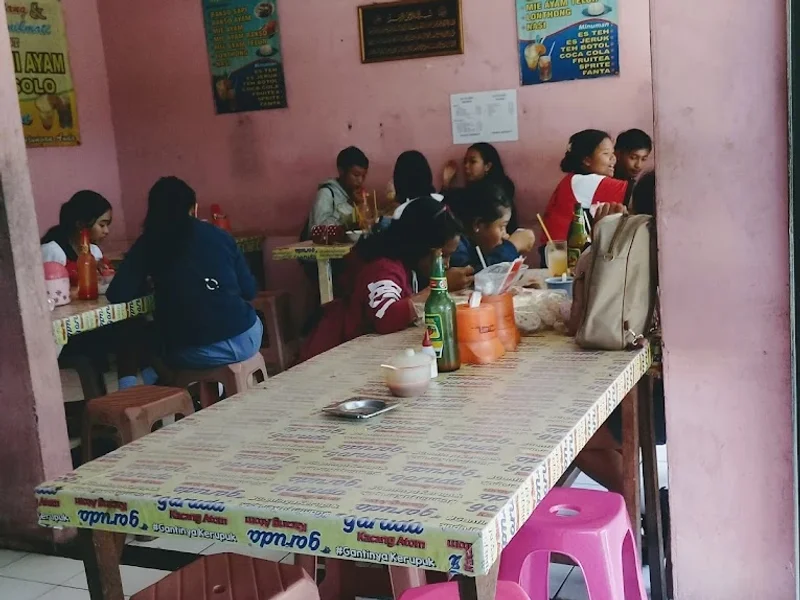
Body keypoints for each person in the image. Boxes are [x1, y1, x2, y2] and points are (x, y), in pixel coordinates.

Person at [107, 177, 262, 371]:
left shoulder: (149, 242)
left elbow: (118, 293)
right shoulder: (220, 235)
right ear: (193, 209)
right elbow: (249, 291)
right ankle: (213, 390)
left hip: (197, 349)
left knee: (143, 336)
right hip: (248, 337)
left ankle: (148, 387)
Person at [299, 195, 462, 362]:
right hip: (332, 359)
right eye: (443, 256)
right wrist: (439, 287)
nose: (447, 264)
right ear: (420, 246)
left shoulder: (406, 265)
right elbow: (386, 317)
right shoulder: (383, 268)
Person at [540, 130, 629, 261]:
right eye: (606, 154)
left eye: (612, 153)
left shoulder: (572, 179)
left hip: (554, 252)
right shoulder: (586, 181)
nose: (613, 158)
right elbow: (638, 192)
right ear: (587, 160)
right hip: (563, 256)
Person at [392, 150, 474, 292]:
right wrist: (442, 284)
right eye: (443, 256)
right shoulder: (392, 273)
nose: (447, 264)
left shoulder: (402, 212)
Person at [450, 180, 536, 272]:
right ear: (478, 225)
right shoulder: (456, 244)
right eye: (502, 227)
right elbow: (475, 276)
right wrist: (512, 247)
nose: (505, 235)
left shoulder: (477, 243)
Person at [442, 143, 520, 232]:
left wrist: (445, 186)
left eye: (472, 162)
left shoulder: (493, 193)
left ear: (487, 166)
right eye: (465, 162)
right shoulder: (471, 191)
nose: (466, 166)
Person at [41, 190, 113, 285]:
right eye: (102, 225)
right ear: (80, 224)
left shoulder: (95, 251)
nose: (106, 231)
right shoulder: (53, 251)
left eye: (107, 225)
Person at [305, 146, 369, 232]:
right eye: (356, 175)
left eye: (363, 176)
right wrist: (349, 205)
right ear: (341, 171)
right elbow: (318, 229)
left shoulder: (356, 194)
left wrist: (362, 208)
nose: (360, 181)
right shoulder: (327, 193)